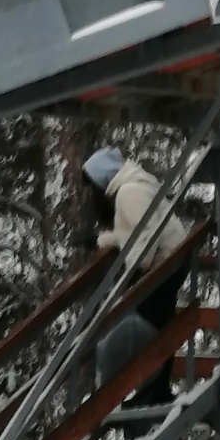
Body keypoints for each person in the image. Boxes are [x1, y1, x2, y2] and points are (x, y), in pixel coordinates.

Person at [84, 145, 191, 409]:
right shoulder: (133, 187)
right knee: (158, 326)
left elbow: (144, 240)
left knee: (149, 329)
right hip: (171, 259)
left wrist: (135, 273)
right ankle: (155, 390)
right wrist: (100, 241)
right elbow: (132, 233)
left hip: (162, 266)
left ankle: (152, 393)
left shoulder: (128, 194)